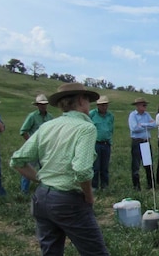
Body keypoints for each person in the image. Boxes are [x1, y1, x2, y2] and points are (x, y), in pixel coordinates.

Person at [10, 82, 110, 255]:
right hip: (69, 201)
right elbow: (81, 170)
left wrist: (41, 179)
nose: (89, 104)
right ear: (80, 100)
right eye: (87, 100)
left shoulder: (47, 126)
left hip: (41, 198)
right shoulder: (86, 128)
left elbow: (17, 160)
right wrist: (89, 196)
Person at [19, 94, 53, 193]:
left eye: (45, 104)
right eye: (41, 104)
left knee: (46, 170)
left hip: (46, 148)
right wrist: (31, 143)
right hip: (34, 147)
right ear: (37, 105)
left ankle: (45, 190)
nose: (43, 106)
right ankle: (24, 190)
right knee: (29, 168)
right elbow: (23, 131)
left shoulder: (50, 117)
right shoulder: (32, 116)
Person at [128, 97, 156, 190]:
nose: (145, 106)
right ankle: (136, 187)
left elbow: (154, 124)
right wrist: (147, 125)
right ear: (138, 106)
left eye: (145, 105)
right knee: (136, 165)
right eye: (143, 105)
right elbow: (134, 128)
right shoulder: (133, 115)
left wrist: (143, 124)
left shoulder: (147, 115)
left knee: (148, 165)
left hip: (146, 141)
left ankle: (151, 185)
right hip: (137, 141)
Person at [89, 96, 114, 191]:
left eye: (106, 105)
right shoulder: (92, 114)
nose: (104, 107)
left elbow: (111, 129)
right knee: (95, 166)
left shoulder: (110, 116)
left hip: (106, 143)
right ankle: (94, 186)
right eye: (102, 105)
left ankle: (105, 186)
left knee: (105, 166)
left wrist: (110, 141)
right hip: (96, 143)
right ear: (98, 106)